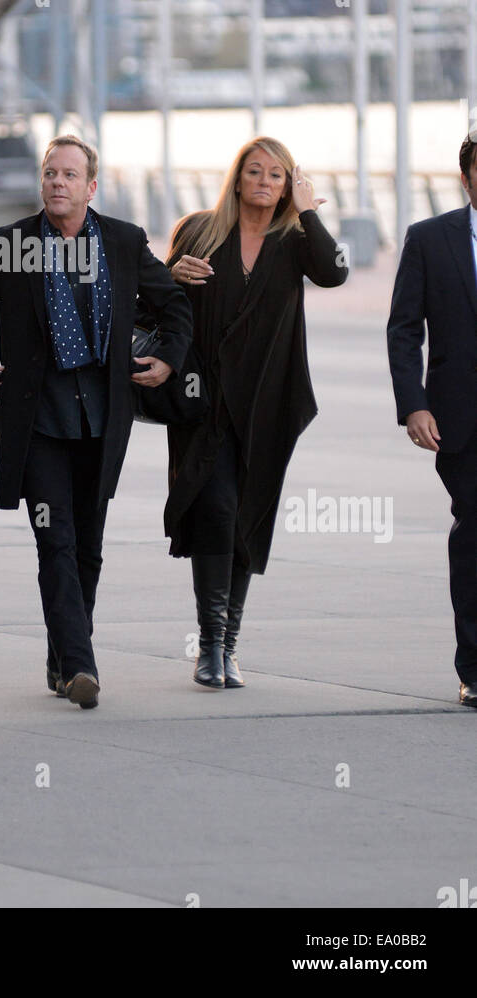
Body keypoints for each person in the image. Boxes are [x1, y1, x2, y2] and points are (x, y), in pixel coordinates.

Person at [0, 134, 192, 709]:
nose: (57, 182)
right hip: (38, 422)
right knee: (55, 540)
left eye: (69, 174)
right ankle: (82, 666)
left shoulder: (124, 242)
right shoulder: (12, 244)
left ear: (90, 187)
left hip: (103, 419)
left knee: (89, 545)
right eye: (50, 173)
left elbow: (173, 303)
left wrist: (170, 358)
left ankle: (62, 659)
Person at [165, 137, 348, 689]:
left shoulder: (294, 240)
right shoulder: (199, 229)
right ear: (238, 178)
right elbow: (153, 297)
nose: (264, 182)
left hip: (267, 404)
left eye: (277, 175)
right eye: (255, 172)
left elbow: (335, 272)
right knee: (215, 507)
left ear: (288, 184)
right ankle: (209, 644)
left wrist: (310, 207)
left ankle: (229, 647)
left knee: (247, 515)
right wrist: (171, 276)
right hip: (205, 402)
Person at [387, 133, 477, 708]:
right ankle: (473, 667)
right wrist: (414, 404)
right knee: (474, 534)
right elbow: (403, 328)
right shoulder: (429, 239)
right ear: (467, 177)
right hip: (460, 419)